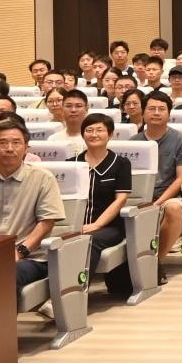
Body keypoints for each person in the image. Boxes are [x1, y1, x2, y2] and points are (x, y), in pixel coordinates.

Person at [0, 117, 67, 306]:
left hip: (32, 258)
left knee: (4, 273)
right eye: (3, 143)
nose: (9, 148)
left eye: (16, 143)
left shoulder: (43, 179)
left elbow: (46, 224)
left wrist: (19, 252)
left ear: (26, 148)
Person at [72, 112, 133, 285]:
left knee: (91, 240)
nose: (94, 134)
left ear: (110, 135)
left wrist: (97, 225)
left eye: (99, 130)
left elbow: (120, 200)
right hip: (76, 224)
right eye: (89, 130)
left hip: (109, 226)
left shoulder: (121, 163)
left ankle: (76, 290)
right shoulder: (71, 163)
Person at [138, 91, 182, 277]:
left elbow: (181, 178)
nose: (156, 113)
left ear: (169, 113)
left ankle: (155, 263)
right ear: (143, 112)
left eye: (161, 109)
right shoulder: (133, 142)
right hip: (138, 197)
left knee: (173, 209)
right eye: (151, 109)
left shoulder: (181, 140)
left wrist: (158, 202)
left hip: (169, 196)